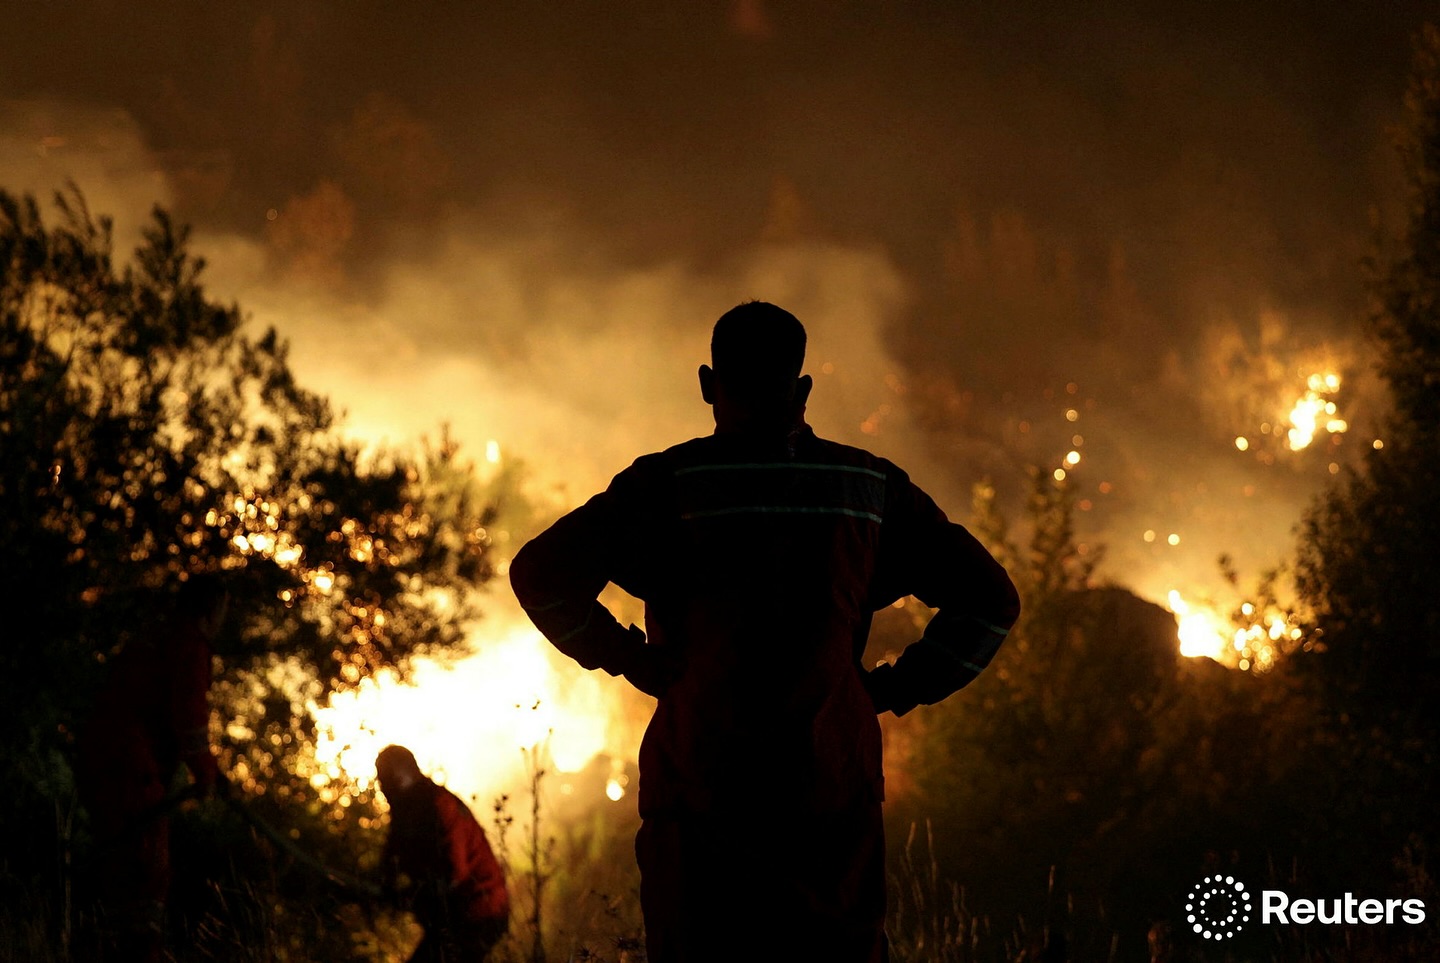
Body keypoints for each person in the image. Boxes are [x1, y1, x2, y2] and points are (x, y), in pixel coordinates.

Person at [509, 301, 1021, 962]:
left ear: (708, 383)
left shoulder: (666, 487)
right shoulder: (868, 488)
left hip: (700, 795)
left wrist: (631, 658)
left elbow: (541, 574)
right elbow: (990, 602)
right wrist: (891, 689)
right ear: (802, 389)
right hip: (829, 793)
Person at [75, 573, 228, 963]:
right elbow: (189, 716)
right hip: (134, 769)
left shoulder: (154, 638)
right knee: (145, 870)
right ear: (210, 610)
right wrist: (205, 772)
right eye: (222, 610)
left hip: (100, 764)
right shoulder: (189, 645)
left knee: (117, 871)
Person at [375, 745, 510, 963]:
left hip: (481, 912)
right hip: (460, 913)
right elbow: (392, 857)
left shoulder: (439, 805)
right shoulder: (406, 808)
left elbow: (454, 872)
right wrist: (385, 886)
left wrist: (413, 896)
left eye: (385, 781)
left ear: (400, 779)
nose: (383, 789)